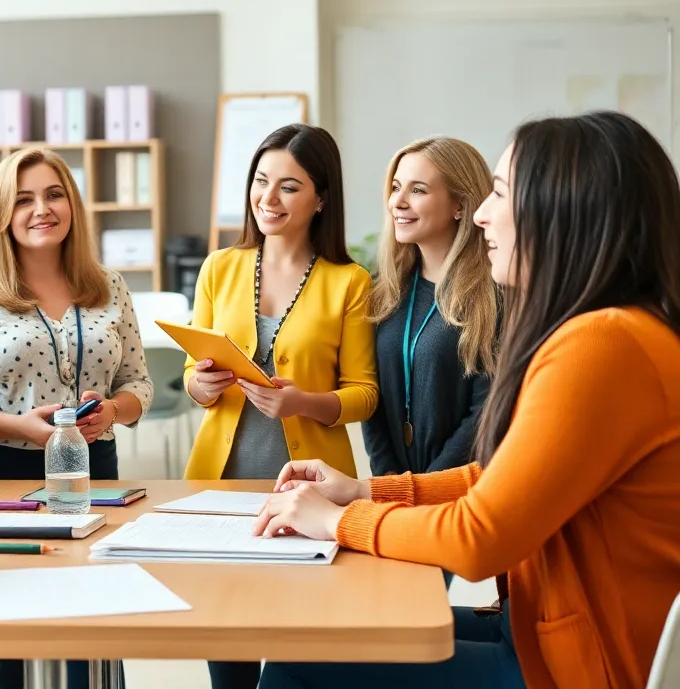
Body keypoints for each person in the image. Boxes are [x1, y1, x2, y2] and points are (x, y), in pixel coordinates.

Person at [253, 111, 680, 689]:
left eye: (499, 192)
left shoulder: (601, 344)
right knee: (317, 633)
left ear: (563, 210)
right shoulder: (615, 332)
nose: (481, 214)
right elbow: (498, 478)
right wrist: (365, 488)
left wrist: (337, 520)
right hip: (542, 629)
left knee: (296, 658)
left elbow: (479, 540)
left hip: (576, 665)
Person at [0, 147, 154, 689]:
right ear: (4, 214)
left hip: (94, 475)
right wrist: (18, 427)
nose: (42, 209)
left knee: (94, 631)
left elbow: (138, 384)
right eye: (24, 199)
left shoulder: (110, 286)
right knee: (2, 645)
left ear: (73, 205)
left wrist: (110, 411)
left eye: (54, 194)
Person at [183, 123, 378, 689]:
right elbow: (196, 385)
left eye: (289, 187)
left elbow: (365, 393)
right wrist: (204, 385)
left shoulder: (350, 282)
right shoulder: (220, 268)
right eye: (261, 181)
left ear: (322, 197)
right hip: (218, 488)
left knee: (297, 655)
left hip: (306, 493)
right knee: (227, 647)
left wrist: (303, 401)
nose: (268, 199)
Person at [362, 138, 498, 479]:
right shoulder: (386, 290)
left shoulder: (492, 294)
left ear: (460, 205)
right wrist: (388, 480)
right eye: (395, 188)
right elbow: (372, 398)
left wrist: (422, 488)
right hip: (393, 496)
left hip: (459, 492)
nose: (398, 202)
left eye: (418, 190)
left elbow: (485, 411)